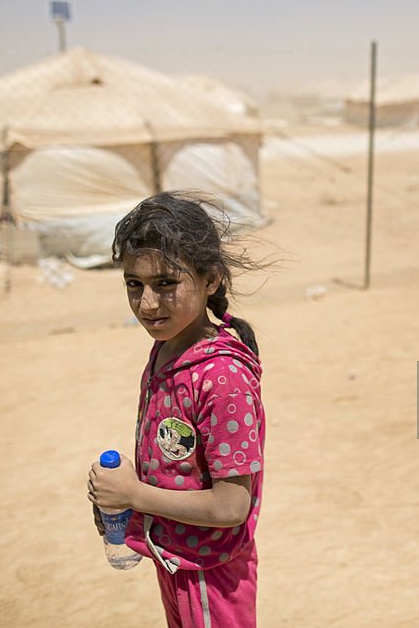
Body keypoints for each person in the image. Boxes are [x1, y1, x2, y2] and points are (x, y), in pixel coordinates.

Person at [88, 192, 266, 627]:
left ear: (210, 279)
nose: (148, 303)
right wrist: (126, 494)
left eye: (166, 283)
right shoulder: (169, 348)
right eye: (134, 284)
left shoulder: (222, 378)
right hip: (175, 558)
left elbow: (230, 508)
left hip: (210, 573)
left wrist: (133, 494)